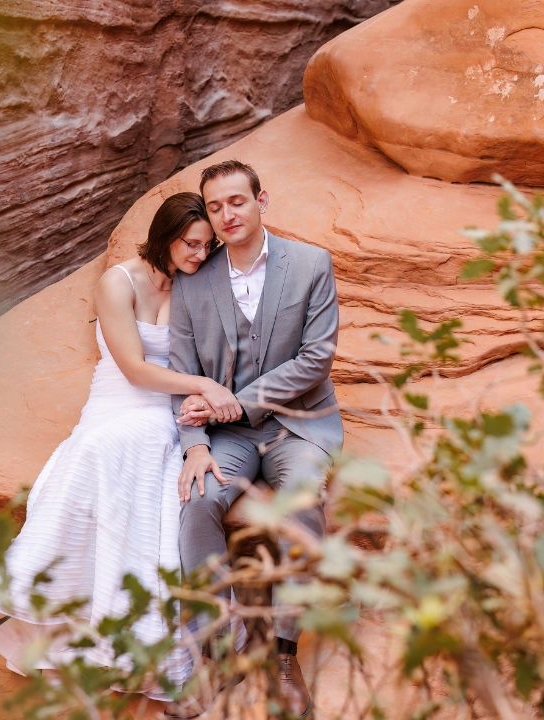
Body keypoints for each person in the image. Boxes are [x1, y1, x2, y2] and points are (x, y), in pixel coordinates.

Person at [0, 193, 242, 699]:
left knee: (144, 453)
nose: (201, 255)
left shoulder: (194, 285)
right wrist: (205, 386)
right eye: (192, 245)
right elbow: (133, 368)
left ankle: (109, 623)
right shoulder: (119, 281)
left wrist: (206, 390)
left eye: (207, 246)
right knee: (102, 447)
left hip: (162, 410)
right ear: (167, 237)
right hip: (119, 398)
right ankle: (13, 590)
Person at [168, 160, 343, 719]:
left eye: (237, 202)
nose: (227, 215)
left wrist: (241, 401)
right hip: (227, 436)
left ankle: (284, 657)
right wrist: (195, 445)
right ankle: (218, 654)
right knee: (197, 504)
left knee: (303, 508)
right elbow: (181, 370)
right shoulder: (193, 282)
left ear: (261, 201)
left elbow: (317, 358)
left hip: (301, 422)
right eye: (215, 207)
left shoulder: (312, 264)